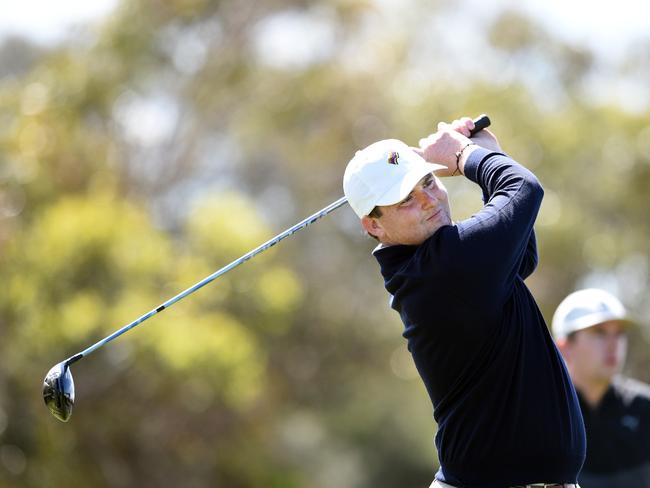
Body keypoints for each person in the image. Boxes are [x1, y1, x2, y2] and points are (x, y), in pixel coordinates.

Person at [343, 117, 585, 488]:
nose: (429, 200)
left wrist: (490, 154)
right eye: (405, 199)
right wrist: (467, 155)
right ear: (373, 225)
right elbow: (524, 188)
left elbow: (522, 256)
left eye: (427, 181)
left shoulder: (434, 264)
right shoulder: (441, 269)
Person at [552, 288, 650, 487]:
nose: (614, 344)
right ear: (564, 347)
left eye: (619, 334)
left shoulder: (645, 408)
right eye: (600, 333)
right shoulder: (543, 415)